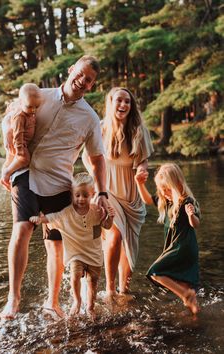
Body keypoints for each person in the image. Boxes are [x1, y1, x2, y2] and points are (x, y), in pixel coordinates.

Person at [0, 55, 110, 319]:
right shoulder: (40, 97)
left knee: (56, 243)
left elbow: (97, 159)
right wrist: (8, 163)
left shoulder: (90, 118)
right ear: (71, 70)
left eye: (89, 80)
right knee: (23, 227)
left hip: (61, 182)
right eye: (81, 74)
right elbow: (11, 125)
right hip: (26, 172)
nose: (83, 81)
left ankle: (52, 301)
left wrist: (103, 193)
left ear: (92, 86)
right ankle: (13, 300)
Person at [83, 87, 154, 299]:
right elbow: (87, 157)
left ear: (131, 106)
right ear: (111, 103)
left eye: (127, 102)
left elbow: (142, 160)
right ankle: (110, 290)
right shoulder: (101, 128)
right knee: (115, 235)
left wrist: (142, 170)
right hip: (108, 190)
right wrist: (96, 182)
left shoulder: (139, 130)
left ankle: (124, 291)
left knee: (130, 246)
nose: (123, 105)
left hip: (131, 194)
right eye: (119, 101)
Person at [29, 172, 115, 320]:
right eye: (77, 195)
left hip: (94, 254)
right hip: (76, 253)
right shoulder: (67, 213)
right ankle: (77, 300)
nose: (81, 199)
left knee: (93, 281)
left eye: (85, 195)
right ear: (72, 194)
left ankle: (90, 307)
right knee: (75, 274)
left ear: (92, 194)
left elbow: (106, 226)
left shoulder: (96, 210)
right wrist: (39, 219)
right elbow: (53, 217)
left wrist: (110, 217)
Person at [135, 163, 200, 315]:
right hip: (176, 247)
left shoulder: (186, 201)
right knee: (183, 283)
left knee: (155, 272)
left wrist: (191, 215)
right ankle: (195, 312)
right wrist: (139, 183)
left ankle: (186, 296)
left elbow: (195, 224)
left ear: (177, 184)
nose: (164, 193)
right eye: (162, 190)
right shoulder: (167, 201)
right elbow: (148, 200)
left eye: (167, 189)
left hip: (182, 247)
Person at [0, 83, 42, 191]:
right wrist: (20, 152)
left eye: (36, 107)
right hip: (20, 144)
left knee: (9, 160)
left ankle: (4, 177)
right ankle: (6, 173)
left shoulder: (28, 111)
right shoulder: (19, 116)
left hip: (24, 144)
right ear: (21, 102)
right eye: (30, 107)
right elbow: (17, 134)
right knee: (25, 160)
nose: (33, 110)